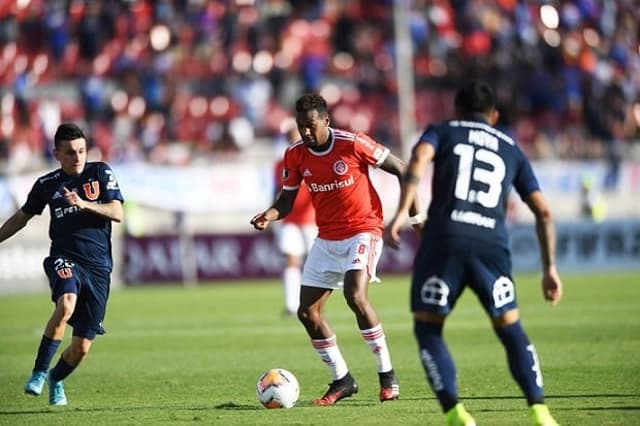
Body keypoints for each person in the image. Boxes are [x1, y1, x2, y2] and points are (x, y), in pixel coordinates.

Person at [384, 80, 563, 426]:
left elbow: (418, 160)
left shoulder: (442, 130)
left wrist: (401, 215)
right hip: (491, 245)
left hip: (444, 239)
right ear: (493, 116)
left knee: (429, 329)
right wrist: (550, 268)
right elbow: (543, 211)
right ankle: (540, 411)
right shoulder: (511, 147)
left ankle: (455, 413)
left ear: (457, 110)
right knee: (510, 328)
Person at [250, 93, 420, 405]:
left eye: (311, 126)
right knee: (307, 313)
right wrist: (268, 215)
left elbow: (403, 169)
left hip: (363, 230)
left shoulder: (352, 143)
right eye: (301, 127)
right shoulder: (296, 155)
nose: (306, 132)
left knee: (355, 296)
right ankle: (342, 380)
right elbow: (286, 201)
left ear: (326, 121)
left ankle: (387, 376)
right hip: (326, 238)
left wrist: (414, 215)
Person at [0, 123, 124, 406]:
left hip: (98, 269)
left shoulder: (100, 172)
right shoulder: (47, 184)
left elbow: (116, 212)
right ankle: (39, 373)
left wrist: (83, 204)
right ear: (56, 153)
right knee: (66, 304)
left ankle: (57, 377)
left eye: (81, 150)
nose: (77, 157)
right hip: (64, 258)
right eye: (70, 152)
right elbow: (22, 217)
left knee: (81, 348)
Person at [273, 125, 317, 316]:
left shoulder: (314, 158)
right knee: (291, 260)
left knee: (316, 263)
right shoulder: (280, 164)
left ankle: (314, 303)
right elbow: (277, 192)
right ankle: (292, 305)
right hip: (290, 219)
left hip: (312, 218)